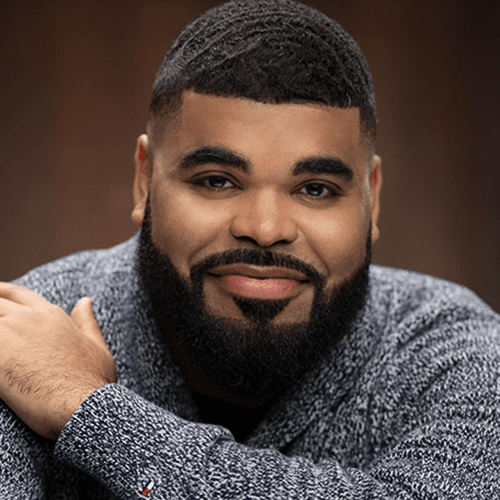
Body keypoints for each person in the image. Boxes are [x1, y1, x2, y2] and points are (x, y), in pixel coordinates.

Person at [1, 0, 499, 497]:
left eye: (316, 188)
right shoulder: (22, 343)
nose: (264, 229)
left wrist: (87, 409)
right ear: (144, 180)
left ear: (373, 197)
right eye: (217, 181)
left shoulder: (457, 350)